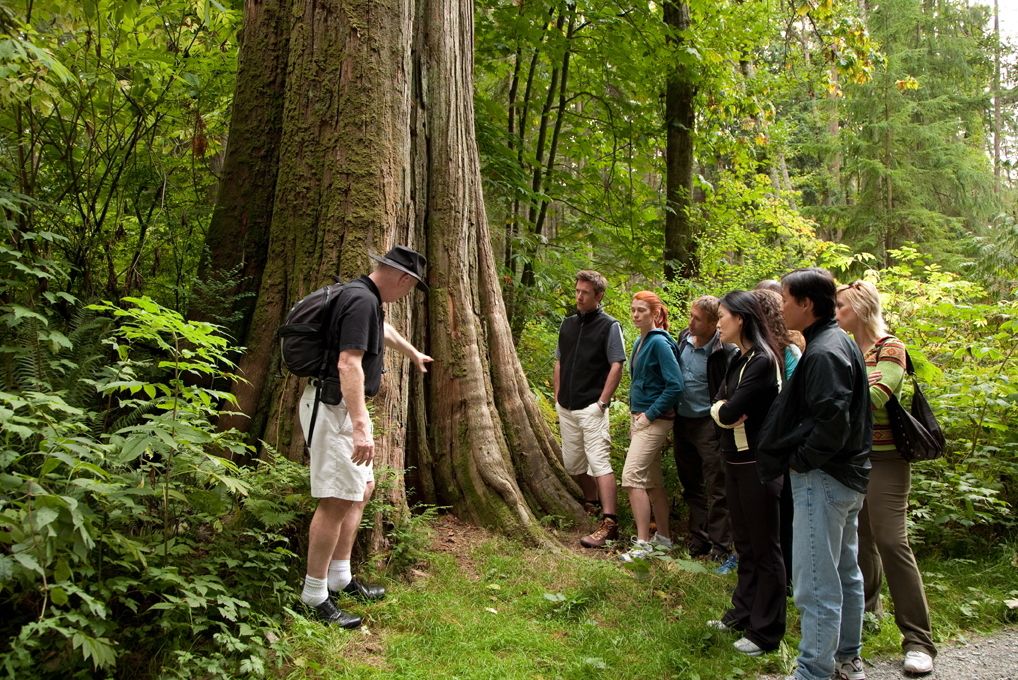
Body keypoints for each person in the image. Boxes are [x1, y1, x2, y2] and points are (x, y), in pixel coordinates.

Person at [298, 246, 433, 627]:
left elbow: (382, 330)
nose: (408, 293)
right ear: (405, 278)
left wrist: (412, 352)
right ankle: (313, 595)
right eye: (411, 287)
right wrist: (359, 425)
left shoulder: (365, 297)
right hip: (334, 410)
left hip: (340, 410)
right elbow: (348, 362)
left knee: (363, 488)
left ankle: (340, 577)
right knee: (336, 500)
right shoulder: (360, 301)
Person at [757, 267, 873, 680]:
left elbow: (833, 419)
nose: (780, 307)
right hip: (847, 478)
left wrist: (801, 460)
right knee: (845, 571)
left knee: (815, 581)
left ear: (806, 304)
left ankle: (813, 670)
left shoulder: (824, 351)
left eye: (786, 299)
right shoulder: (837, 340)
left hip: (824, 479)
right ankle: (846, 658)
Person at [835, 280, 936, 675]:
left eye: (841, 306)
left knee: (892, 541)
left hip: (887, 460)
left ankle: (918, 640)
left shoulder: (890, 347)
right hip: (853, 459)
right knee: (860, 540)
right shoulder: (846, 347)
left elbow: (879, 394)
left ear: (860, 308)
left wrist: (832, 398)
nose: (836, 313)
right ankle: (868, 609)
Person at [707, 291, 786, 656]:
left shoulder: (763, 361)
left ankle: (765, 632)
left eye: (722, 316)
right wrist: (724, 409)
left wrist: (725, 409)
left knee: (765, 548)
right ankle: (742, 613)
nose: (717, 322)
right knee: (746, 545)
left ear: (740, 318)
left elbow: (730, 408)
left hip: (759, 465)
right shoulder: (738, 358)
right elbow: (721, 406)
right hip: (735, 462)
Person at [554, 270, 626, 548]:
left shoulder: (609, 326)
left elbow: (617, 364)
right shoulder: (568, 324)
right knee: (573, 462)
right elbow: (560, 360)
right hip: (567, 407)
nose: (579, 297)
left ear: (598, 296)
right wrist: (558, 394)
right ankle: (591, 502)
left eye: (585, 293)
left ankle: (609, 522)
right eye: (577, 291)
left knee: (599, 463)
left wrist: (602, 403)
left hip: (592, 407)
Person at [618, 291, 684, 562]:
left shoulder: (659, 343)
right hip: (641, 418)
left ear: (655, 314)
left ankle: (643, 543)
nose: (635, 314)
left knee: (632, 477)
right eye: (633, 309)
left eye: (641, 310)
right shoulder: (639, 341)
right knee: (651, 481)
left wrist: (649, 415)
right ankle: (664, 539)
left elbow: (675, 385)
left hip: (655, 421)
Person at [673, 296, 735, 564]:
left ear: (713, 322)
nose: (691, 322)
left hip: (707, 424)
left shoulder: (724, 350)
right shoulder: (684, 338)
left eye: (697, 318)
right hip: (681, 420)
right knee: (690, 483)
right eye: (691, 315)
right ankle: (699, 537)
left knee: (716, 485)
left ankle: (722, 546)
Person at [753, 286, 805, 592]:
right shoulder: (749, 350)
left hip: (779, 444)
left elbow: (795, 399)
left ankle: (785, 578)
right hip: (753, 444)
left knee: (784, 513)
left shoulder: (788, 351)